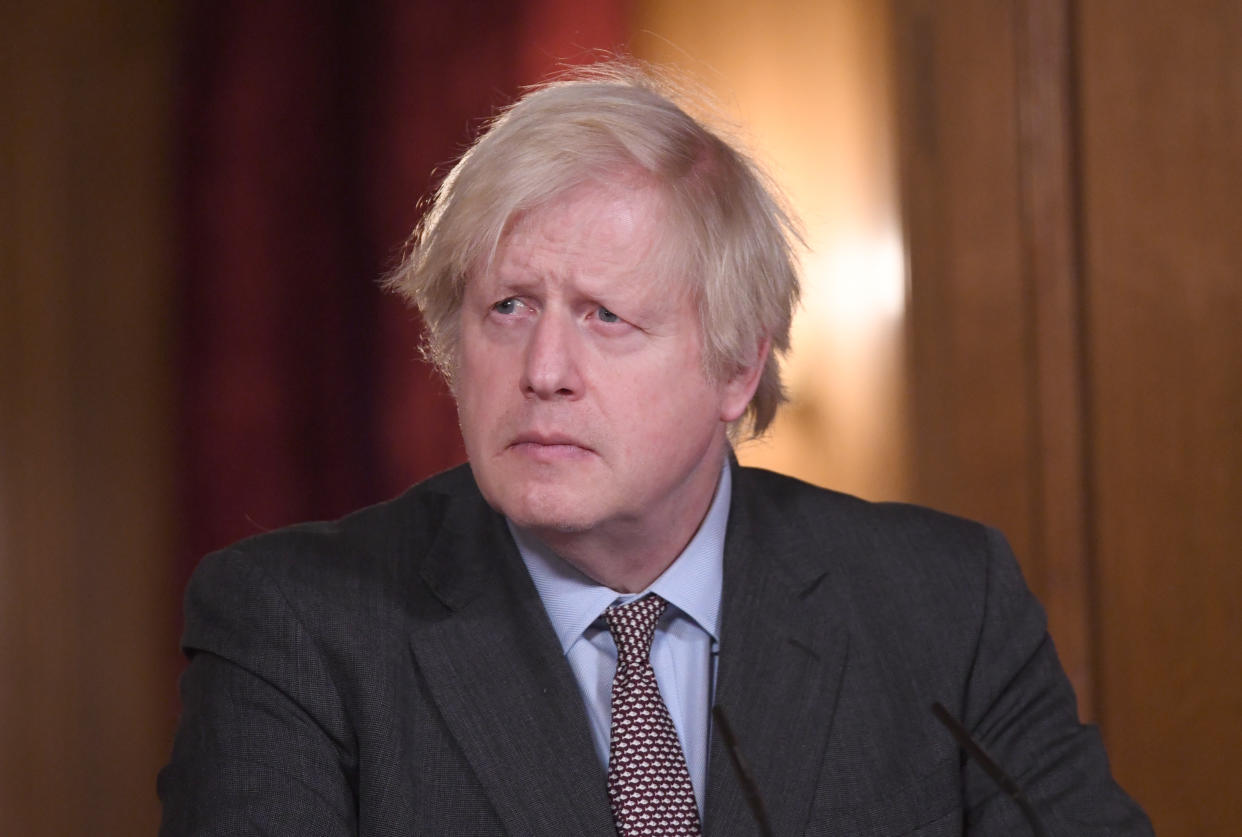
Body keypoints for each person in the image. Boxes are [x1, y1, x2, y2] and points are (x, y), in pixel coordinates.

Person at [158, 62, 1152, 836]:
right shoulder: (294, 627)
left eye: (605, 316)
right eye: (507, 308)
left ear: (735, 366)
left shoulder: (942, 604)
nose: (545, 368)